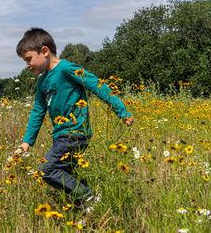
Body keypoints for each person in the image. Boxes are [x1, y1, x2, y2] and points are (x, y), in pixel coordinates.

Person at [16, 28, 134, 207]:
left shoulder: (66, 69)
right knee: (68, 175)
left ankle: (89, 197)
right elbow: (38, 110)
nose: (27, 65)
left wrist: (122, 112)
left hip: (75, 133)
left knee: (47, 170)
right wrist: (27, 141)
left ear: (45, 51)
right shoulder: (42, 81)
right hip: (60, 136)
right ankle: (89, 208)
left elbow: (97, 86)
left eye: (29, 59)